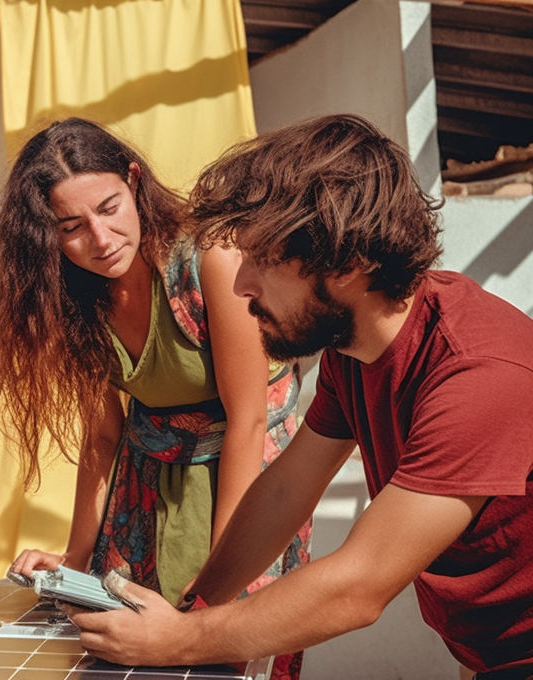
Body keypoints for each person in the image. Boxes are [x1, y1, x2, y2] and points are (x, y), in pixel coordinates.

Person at [68, 113, 533, 680]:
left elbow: (358, 588)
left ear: (346, 265)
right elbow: (288, 486)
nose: (240, 287)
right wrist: (202, 604)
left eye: (262, 260)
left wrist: (179, 641)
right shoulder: (353, 346)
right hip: (485, 647)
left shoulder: (479, 376)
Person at [0, 118, 310, 678]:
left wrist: (220, 581)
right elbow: (105, 434)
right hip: (145, 491)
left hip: (246, 480)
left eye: (109, 208)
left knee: (223, 653)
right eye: (71, 226)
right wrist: (73, 565)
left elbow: (248, 420)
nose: (100, 239)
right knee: (126, 652)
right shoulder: (74, 295)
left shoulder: (209, 260)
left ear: (134, 182)